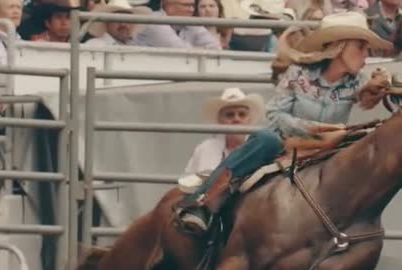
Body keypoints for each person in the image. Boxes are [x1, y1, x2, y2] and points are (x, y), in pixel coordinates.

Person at [174, 11, 393, 233]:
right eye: (361, 47)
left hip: (326, 150)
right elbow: (276, 115)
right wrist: (315, 132)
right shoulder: (298, 73)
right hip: (284, 145)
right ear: (340, 47)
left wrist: (382, 87)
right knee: (266, 139)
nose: (367, 54)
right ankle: (199, 202)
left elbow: (368, 98)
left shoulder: (356, 83)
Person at [184, 88, 265, 175]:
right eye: (230, 115)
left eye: (242, 114)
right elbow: (188, 182)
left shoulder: (260, 148)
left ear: (249, 120)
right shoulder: (204, 149)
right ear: (220, 120)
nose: (236, 119)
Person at [83, 0, 151, 46]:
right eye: (117, 19)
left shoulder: (136, 46)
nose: (123, 24)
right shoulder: (95, 45)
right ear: (107, 22)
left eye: (128, 19)